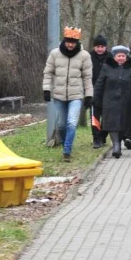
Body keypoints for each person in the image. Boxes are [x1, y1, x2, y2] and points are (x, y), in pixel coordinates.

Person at [42, 26, 93, 162]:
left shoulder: (84, 56)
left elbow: (87, 77)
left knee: (71, 122)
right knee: (61, 125)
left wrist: (89, 95)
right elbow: (48, 73)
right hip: (58, 95)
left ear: (77, 42)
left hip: (76, 95)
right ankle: (65, 143)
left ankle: (67, 150)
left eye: (73, 41)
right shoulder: (54, 54)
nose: (70, 44)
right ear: (64, 40)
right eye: (68, 41)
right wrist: (46, 89)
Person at [93, 46, 131, 158]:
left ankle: (119, 143)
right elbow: (100, 83)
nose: (121, 58)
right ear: (114, 57)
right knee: (112, 124)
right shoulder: (107, 67)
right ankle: (116, 145)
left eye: (123, 56)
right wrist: (95, 97)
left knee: (123, 123)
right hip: (110, 100)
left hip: (126, 100)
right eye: (119, 56)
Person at [89, 35, 110, 148]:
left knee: (107, 117)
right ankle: (96, 138)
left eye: (102, 46)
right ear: (94, 47)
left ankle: (103, 136)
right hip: (93, 91)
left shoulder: (110, 57)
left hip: (108, 92)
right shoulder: (89, 57)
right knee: (95, 117)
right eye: (98, 46)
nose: (100, 49)